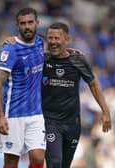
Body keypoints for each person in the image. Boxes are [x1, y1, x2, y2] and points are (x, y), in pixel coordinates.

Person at [42, 22, 111, 168]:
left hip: (72, 123)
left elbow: (93, 84)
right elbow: (25, 44)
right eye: (50, 38)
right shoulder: (43, 59)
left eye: (57, 38)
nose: (53, 42)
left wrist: (105, 111)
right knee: (54, 163)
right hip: (50, 121)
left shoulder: (78, 60)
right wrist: (11, 41)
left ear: (67, 40)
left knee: (65, 165)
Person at [0, 8, 46, 168]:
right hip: (13, 114)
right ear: (17, 26)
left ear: (37, 23)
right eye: (23, 23)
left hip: (36, 113)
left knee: (38, 158)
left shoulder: (40, 43)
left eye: (30, 22)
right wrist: (0, 116)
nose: (27, 26)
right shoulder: (10, 49)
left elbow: (56, 44)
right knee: (11, 162)